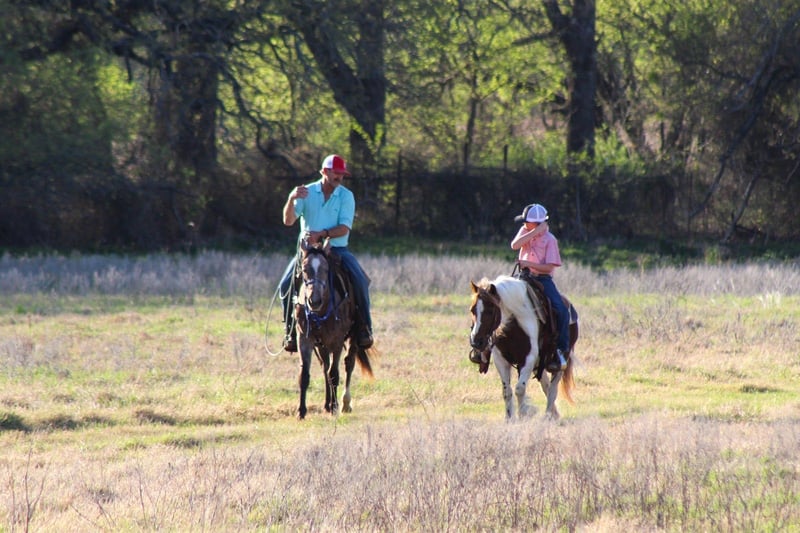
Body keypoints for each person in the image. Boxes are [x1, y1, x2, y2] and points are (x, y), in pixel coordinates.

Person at [279, 154, 374, 352]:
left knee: (360, 281)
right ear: (324, 172)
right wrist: (291, 198)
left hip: (337, 249)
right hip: (308, 252)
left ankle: (364, 329)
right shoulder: (306, 192)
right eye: (336, 172)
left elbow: (344, 229)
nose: (340, 176)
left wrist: (321, 234)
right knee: (285, 285)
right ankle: (290, 332)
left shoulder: (346, 196)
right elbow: (288, 221)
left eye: (342, 173)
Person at [510, 203, 569, 371]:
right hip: (523, 276)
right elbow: (514, 245)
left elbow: (549, 268)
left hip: (543, 280)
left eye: (527, 221)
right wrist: (533, 233)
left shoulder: (550, 240)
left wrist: (528, 263)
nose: (524, 224)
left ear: (536, 223)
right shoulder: (525, 231)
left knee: (561, 309)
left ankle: (561, 350)